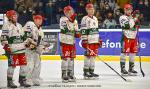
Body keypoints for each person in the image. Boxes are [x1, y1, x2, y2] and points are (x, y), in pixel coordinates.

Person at [1, 10, 31, 88]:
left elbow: (23, 37)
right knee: (12, 66)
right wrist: (6, 47)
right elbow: (3, 37)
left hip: (21, 49)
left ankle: (22, 81)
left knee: (24, 65)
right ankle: (9, 81)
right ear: (10, 17)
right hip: (12, 50)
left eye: (16, 15)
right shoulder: (6, 25)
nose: (16, 17)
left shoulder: (19, 25)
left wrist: (27, 43)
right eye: (14, 16)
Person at [23, 14, 48, 86]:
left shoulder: (40, 29)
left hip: (35, 49)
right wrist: (31, 43)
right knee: (30, 65)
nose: (41, 21)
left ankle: (35, 78)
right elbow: (26, 36)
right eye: (39, 19)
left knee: (37, 64)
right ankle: (27, 79)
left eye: (41, 20)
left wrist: (44, 46)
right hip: (28, 49)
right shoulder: (30, 24)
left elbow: (40, 41)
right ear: (35, 20)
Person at [80, 3, 102, 79]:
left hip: (95, 41)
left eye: (92, 9)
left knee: (93, 56)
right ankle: (86, 72)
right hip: (89, 41)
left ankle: (91, 71)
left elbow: (96, 30)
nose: (92, 10)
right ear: (87, 10)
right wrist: (84, 40)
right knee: (88, 56)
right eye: (90, 9)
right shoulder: (84, 19)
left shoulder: (95, 18)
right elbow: (83, 30)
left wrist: (99, 39)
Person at [59, 5, 80, 83]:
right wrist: (72, 21)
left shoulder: (75, 21)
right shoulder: (63, 19)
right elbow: (65, 29)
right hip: (64, 42)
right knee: (65, 58)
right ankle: (64, 74)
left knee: (71, 59)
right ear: (65, 12)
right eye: (67, 11)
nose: (69, 12)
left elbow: (76, 31)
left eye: (70, 11)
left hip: (72, 42)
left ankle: (70, 73)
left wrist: (78, 34)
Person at [119, 4, 138, 76]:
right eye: (127, 9)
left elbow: (136, 26)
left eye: (130, 9)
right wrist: (134, 19)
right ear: (124, 10)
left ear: (131, 10)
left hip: (133, 37)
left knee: (133, 53)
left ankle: (131, 68)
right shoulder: (122, 17)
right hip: (126, 37)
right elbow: (126, 26)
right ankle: (123, 68)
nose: (128, 11)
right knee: (124, 53)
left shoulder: (133, 17)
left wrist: (137, 21)